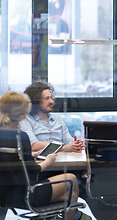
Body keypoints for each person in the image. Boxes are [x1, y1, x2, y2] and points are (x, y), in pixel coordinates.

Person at [0, 91, 80, 220]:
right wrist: (48, 160)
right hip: (25, 195)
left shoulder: (4, 134)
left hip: (4, 195)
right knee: (71, 180)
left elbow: (11, 162)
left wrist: (31, 154)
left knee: (65, 195)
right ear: (22, 114)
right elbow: (33, 171)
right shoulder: (20, 137)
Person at [19, 81, 83, 152]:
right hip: (41, 161)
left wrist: (75, 145)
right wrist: (63, 148)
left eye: (51, 98)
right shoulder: (26, 120)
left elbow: (68, 140)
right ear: (35, 102)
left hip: (62, 159)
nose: (51, 101)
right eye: (47, 98)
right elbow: (34, 145)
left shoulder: (57, 118)